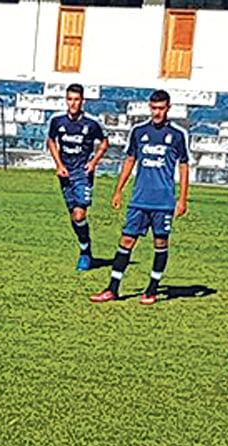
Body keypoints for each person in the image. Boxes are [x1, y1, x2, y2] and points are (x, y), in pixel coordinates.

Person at [90, 89, 189, 304]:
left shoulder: (178, 136)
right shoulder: (138, 132)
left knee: (160, 242)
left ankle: (152, 289)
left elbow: (183, 165)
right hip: (139, 199)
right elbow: (130, 160)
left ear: (168, 108)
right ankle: (112, 288)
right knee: (126, 240)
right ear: (149, 108)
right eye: (154, 108)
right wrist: (118, 189)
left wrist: (182, 199)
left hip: (163, 201)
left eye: (161, 108)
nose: (157, 113)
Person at [47, 83, 109, 271]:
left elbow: (104, 142)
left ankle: (84, 252)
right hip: (65, 174)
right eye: (70, 99)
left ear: (82, 101)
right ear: (66, 100)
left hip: (83, 173)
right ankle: (85, 247)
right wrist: (58, 164)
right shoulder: (58, 122)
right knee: (74, 217)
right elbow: (51, 140)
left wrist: (93, 162)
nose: (73, 103)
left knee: (79, 213)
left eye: (76, 100)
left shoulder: (90, 124)